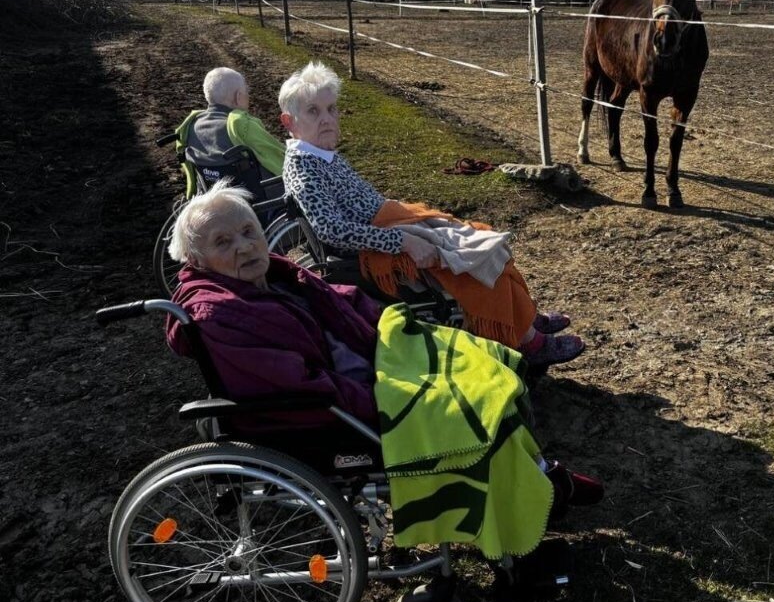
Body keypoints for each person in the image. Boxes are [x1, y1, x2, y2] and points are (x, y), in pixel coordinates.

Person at [164, 180, 603, 555]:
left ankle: (536, 475)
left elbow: (341, 301)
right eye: (223, 242)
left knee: (484, 361)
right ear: (197, 261)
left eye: (248, 231)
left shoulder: (274, 276)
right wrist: (385, 399)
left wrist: (393, 327)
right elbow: (301, 387)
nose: (244, 246)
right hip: (337, 410)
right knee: (471, 404)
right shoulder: (223, 315)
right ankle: (534, 500)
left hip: (368, 363)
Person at [279, 61, 584, 368]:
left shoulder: (318, 154)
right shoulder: (304, 168)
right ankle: (529, 342)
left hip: (391, 222)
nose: (327, 118)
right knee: (473, 257)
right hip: (376, 246)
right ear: (289, 122)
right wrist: (403, 240)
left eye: (331, 109)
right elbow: (331, 230)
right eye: (313, 111)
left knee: (482, 237)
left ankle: (523, 316)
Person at [175, 67, 286, 199]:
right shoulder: (242, 125)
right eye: (246, 92)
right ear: (238, 97)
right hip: (254, 201)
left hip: (210, 197)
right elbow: (278, 157)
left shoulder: (191, 126)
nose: (248, 96)